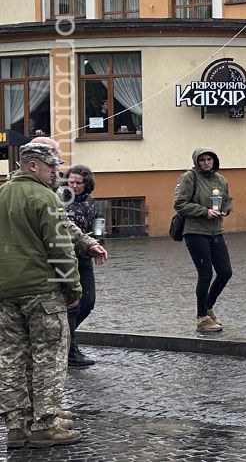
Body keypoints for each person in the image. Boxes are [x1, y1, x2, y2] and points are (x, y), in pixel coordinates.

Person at [0, 143, 83, 448]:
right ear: (33, 166)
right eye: (52, 166)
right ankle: (45, 424)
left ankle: (16, 427)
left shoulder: (2, 193)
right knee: (48, 357)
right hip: (41, 290)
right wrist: (73, 287)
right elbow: (60, 247)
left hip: (5, 291)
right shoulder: (45, 197)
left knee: (11, 358)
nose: (56, 172)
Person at [174, 148, 234, 334]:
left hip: (216, 231)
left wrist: (226, 209)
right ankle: (202, 318)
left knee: (225, 272)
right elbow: (180, 204)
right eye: (202, 160)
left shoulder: (221, 179)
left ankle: (207, 307)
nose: (206, 163)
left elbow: (226, 200)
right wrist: (204, 211)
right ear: (197, 162)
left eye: (209, 159)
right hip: (195, 231)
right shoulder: (189, 177)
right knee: (205, 273)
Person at [61, 166, 109, 368]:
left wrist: (98, 241)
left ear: (86, 184)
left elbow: (99, 224)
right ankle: (70, 350)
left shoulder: (91, 202)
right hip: (66, 257)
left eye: (78, 183)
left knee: (87, 302)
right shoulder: (61, 201)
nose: (73, 186)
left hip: (85, 256)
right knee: (72, 305)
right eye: (70, 182)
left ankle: (64, 339)